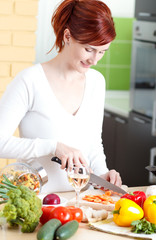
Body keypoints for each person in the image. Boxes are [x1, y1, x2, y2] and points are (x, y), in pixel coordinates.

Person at [0, 0, 122, 193]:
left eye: (102, 52)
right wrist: (53, 147)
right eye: (89, 49)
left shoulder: (97, 82)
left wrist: (103, 173)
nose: (95, 60)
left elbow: (93, 143)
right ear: (67, 36)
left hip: (82, 205)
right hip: (37, 203)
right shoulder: (30, 80)